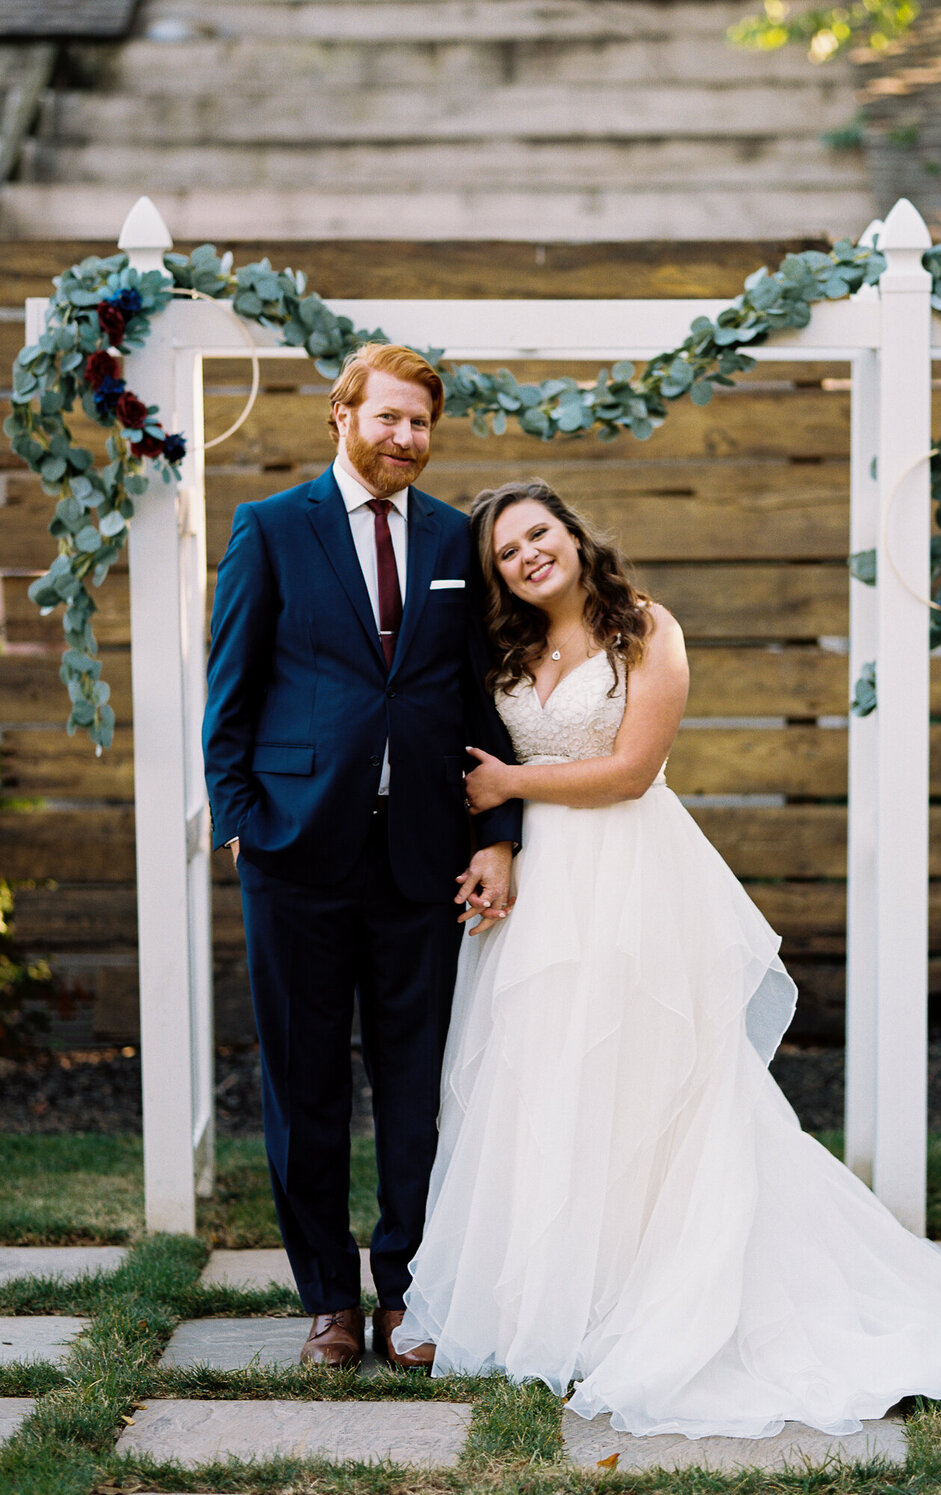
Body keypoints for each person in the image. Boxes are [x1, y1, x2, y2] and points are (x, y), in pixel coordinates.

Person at [393, 477, 941, 1439]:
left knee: (646, 1089)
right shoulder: (503, 645)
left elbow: (631, 771)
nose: (526, 556)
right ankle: (551, 1304)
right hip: (540, 898)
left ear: (574, 535)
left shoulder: (645, 629)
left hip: (628, 883)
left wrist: (510, 779)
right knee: (541, 1087)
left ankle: (659, 1296)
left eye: (538, 534)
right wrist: (496, 830)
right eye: (505, 550)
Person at [201, 344, 521, 1371]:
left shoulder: (453, 538)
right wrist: (242, 816)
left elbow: (481, 700)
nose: (407, 440)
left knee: (416, 1082)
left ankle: (408, 1293)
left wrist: (496, 834)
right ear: (342, 414)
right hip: (294, 850)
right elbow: (228, 696)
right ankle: (329, 1300)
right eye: (390, 419)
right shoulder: (270, 529)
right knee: (305, 1083)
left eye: (422, 424)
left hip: (420, 856)